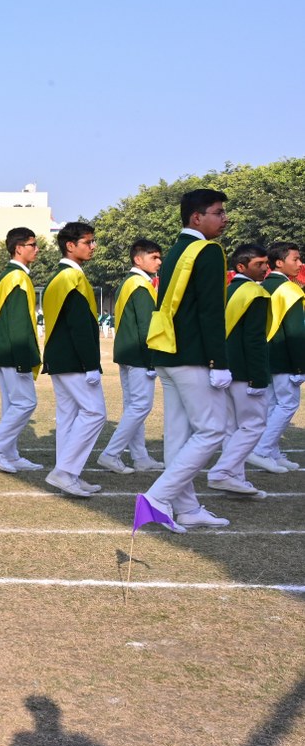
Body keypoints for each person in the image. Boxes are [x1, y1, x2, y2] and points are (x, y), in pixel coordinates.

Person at [141, 188, 232, 531]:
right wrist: (219, 361)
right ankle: (157, 498)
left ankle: (188, 508)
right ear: (197, 217)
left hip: (167, 350)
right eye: (218, 212)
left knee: (178, 435)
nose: (224, 219)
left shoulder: (178, 249)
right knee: (211, 430)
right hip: (191, 353)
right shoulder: (208, 251)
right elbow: (210, 311)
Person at [41, 222, 107, 498]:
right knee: (95, 413)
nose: (93, 247)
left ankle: (69, 473)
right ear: (70, 245)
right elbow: (80, 326)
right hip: (73, 360)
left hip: (61, 358)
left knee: (68, 416)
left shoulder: (61, 276)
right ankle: (64, 471)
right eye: (88, 242)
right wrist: (91, 364)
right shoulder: (72, 278)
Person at [207, 244, 272, 496]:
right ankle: (223, 472)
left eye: (266, 263)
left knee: (231, 427)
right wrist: (258, 377)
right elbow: (254, 339)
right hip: (246, 371)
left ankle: (235, 477)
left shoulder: (226, 291)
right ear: (241, 266)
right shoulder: (255, 293)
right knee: (254, 425)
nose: (265, 268)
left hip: (224, 367)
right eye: (259, 264)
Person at [97, 239, 163, 473]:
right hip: (139, 354)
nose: (159, 261)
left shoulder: (130, 282)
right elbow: (147, 327)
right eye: (154, 257)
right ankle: (111, 454)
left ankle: (140, 456)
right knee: (140, 406)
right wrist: (152, 359)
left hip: (128, 352)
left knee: (134, 407)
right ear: (138, 259)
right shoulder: (141, 285)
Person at [0, 227, 42, 473]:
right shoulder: (18, 278)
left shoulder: (9, 275)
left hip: (3, 350)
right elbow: (19, 322)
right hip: (13, 351)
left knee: (12, 404)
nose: (36, 250)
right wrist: (23, 359)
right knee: (26, 402)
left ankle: (10, 453)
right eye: (32, 245)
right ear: (19, 248)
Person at [247, 241, 305, 473]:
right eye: (296, 259)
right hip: (283, 357)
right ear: (279, 262)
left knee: (270, 405)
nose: (300, 263)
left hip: (264, 354)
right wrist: (300, 367)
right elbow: (295, 331)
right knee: (287, 403)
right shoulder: (289, 290)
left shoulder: (262, 286)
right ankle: (262, 449)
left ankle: (269, 451)